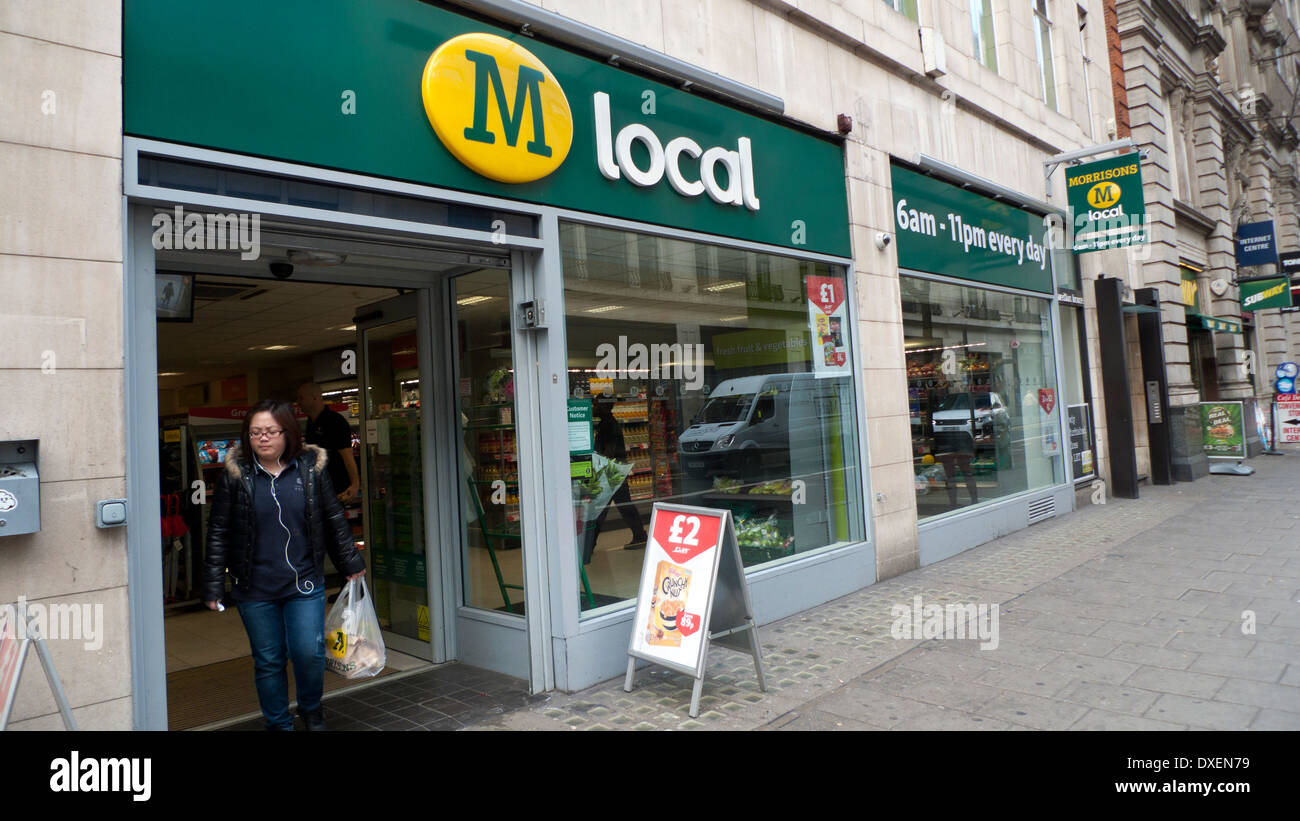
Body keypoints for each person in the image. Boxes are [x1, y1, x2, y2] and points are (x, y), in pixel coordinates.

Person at [203, 399, 366, 731]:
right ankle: (278, 723)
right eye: (255, 432)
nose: (262, 438)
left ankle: (311, 708)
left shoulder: (310, 468)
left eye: (270, 431)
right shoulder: (235, 475)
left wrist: (350, 560)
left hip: (303, 583)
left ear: (288, 432)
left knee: (309, 652)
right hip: (254, 587)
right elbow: (219, 529)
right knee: (269, 660)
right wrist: (213, 584)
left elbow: (333, 518)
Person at [582, 402, 648, 563]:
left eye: (597, 404)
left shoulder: (609, 426)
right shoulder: (608, 424)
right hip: (615, 470)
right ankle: (640, 535)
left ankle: (587, 548)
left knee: (599, 509)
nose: (594, 407)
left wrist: (600, 463)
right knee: (623, 506)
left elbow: (610, 450)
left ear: (605, 407)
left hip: (611, 472)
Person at [296, 382, 361, 504]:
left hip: (336, 491)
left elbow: (347, 456)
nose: (298, 402)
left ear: (314, 397)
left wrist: (355, 485)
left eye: (301, 398)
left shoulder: (335, 422)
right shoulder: (311, 423)